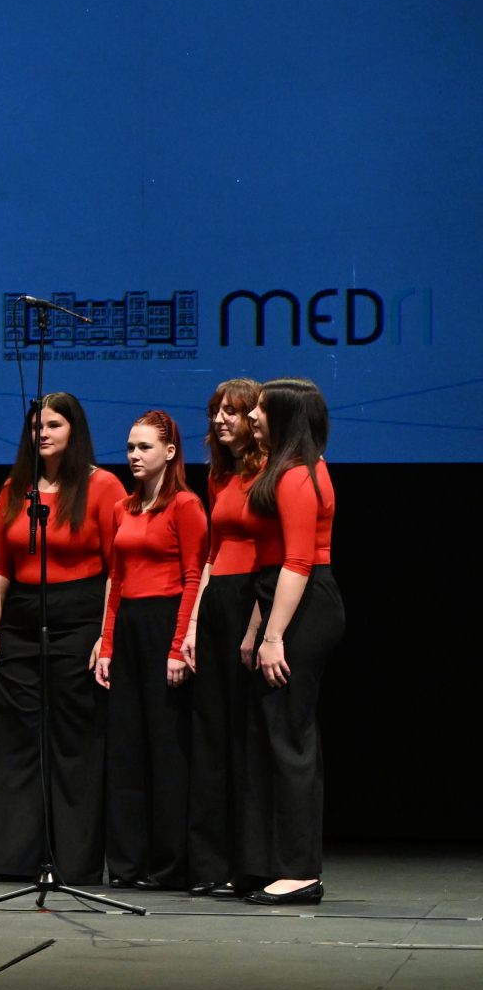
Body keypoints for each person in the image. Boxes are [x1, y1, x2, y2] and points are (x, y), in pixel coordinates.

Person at [0, 392, 128, 884]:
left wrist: (105, 635)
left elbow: (117, 570)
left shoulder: (103, 486)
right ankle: (16, 857)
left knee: (73, 743)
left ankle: (72, 861)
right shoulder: (14, 489)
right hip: (20, 620)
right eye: (36, 425)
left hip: (80, 618)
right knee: (15, 740)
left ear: (74, 431)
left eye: (54, 425)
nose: (42, 433)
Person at [239, 377, 342, 905]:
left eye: (260, 408)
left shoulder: (299, 475)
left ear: (283, 416)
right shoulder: (287, 469)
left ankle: (300, 871)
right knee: (276, 735)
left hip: (304, 606)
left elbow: (297, 562)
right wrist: (256, 630)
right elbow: (270, 560)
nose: (252, 416)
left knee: (290, 737)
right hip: (282, 600)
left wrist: (274, 635)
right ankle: (272, 862)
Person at [94, 411, 207, 889]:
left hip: (166, 624)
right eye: (130, 447)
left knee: (166, 751)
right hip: (129, 628)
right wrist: (106, 642)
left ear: (170, 451)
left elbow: (193, 578)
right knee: (125, 750)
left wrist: (179, 646)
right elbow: (116, 580)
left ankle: (168, 865)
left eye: (144, 447)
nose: (134, 456)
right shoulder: (123, 508)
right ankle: (126, 864)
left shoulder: (185, 505)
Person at [180, 379, 267, 897]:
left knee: (243, 734)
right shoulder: (219, 476)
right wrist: (193, 622)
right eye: (216, 411)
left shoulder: (269, 474)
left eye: (232, 412)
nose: (220, 420)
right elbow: (212, 554)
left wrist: (257, 625)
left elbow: (274, 555)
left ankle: (248, 861)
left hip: (251, 600)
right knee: (211, 734)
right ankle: (211, 864)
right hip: (217, 603)